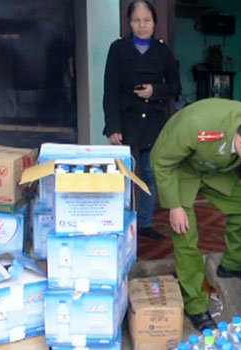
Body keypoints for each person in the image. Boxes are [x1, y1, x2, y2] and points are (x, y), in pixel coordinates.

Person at [151, 98, 241, 331]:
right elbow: (161, 160)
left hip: (214, 169)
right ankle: (195, 304)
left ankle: (233, 264)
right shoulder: (197, 125)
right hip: (182, 169)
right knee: (184, 231)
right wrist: (174, 206)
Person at [103, 0, 181, 240]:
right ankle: (118, 221)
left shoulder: (163, 51)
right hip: (126, 121)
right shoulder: (118, 49)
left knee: (148, 173)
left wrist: (154, 91)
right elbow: (110, 91)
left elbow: (176, 87)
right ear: (129, 23)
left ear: (154, 23)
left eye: (147, 20)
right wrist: (112, 126)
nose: (142, 25)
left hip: (154, 123)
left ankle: (145, 223)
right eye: (137, 20)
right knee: (122, 175)